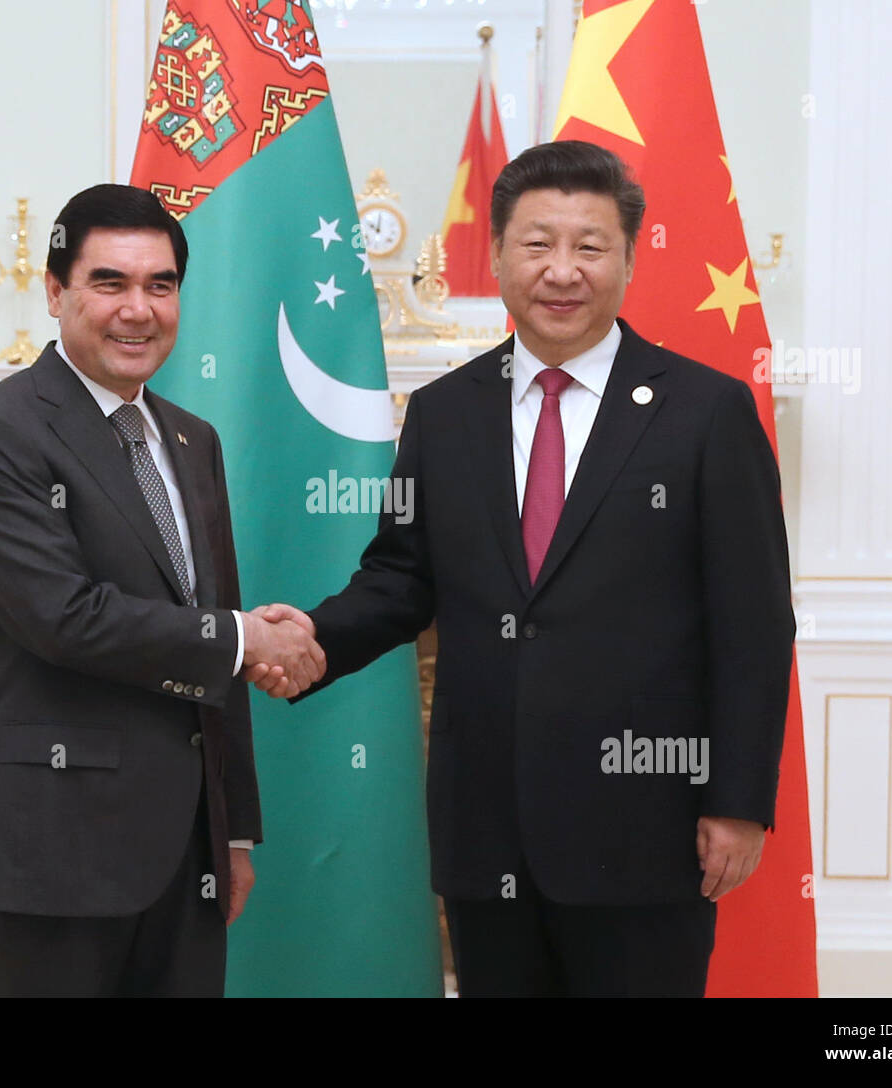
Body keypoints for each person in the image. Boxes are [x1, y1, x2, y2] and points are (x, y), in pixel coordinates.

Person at [247, 141, 795, 997]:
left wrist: (737, 800)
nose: (562, 271)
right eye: (538, 244)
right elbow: (400, 576)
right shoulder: (443, 412)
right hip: (488, 829)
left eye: (589, 245)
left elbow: (755, 626)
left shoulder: (707, 411)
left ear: (626, 259)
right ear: (497, 254)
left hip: (647, 830)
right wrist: (310, 636)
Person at [0, 183, 324, 997]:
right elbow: (64, 618)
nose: (138, 310)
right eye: (109, 282)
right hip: (55, 852)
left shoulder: (192, 438)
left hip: (190, 856)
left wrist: (235, 832)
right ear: (55, 291)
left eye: (160, 285)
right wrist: (248, 638)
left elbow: (209, 630)